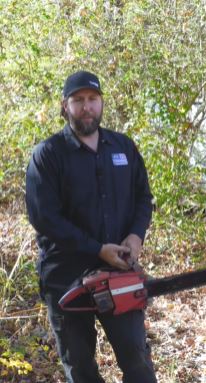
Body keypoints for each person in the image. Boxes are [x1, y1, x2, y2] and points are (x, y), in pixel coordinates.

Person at [26, 70, 157, 383]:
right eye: (78, 100)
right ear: (65, 105)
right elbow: (45, 218)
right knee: (82, 370)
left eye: (93, 99)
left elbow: (143, 198)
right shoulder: (48, 155)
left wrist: (136, 237)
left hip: (119, 276)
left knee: (138, 362)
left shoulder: (123, 148)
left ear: (101, 103)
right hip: (66, 280)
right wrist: (97, 249)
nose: (87, 107)